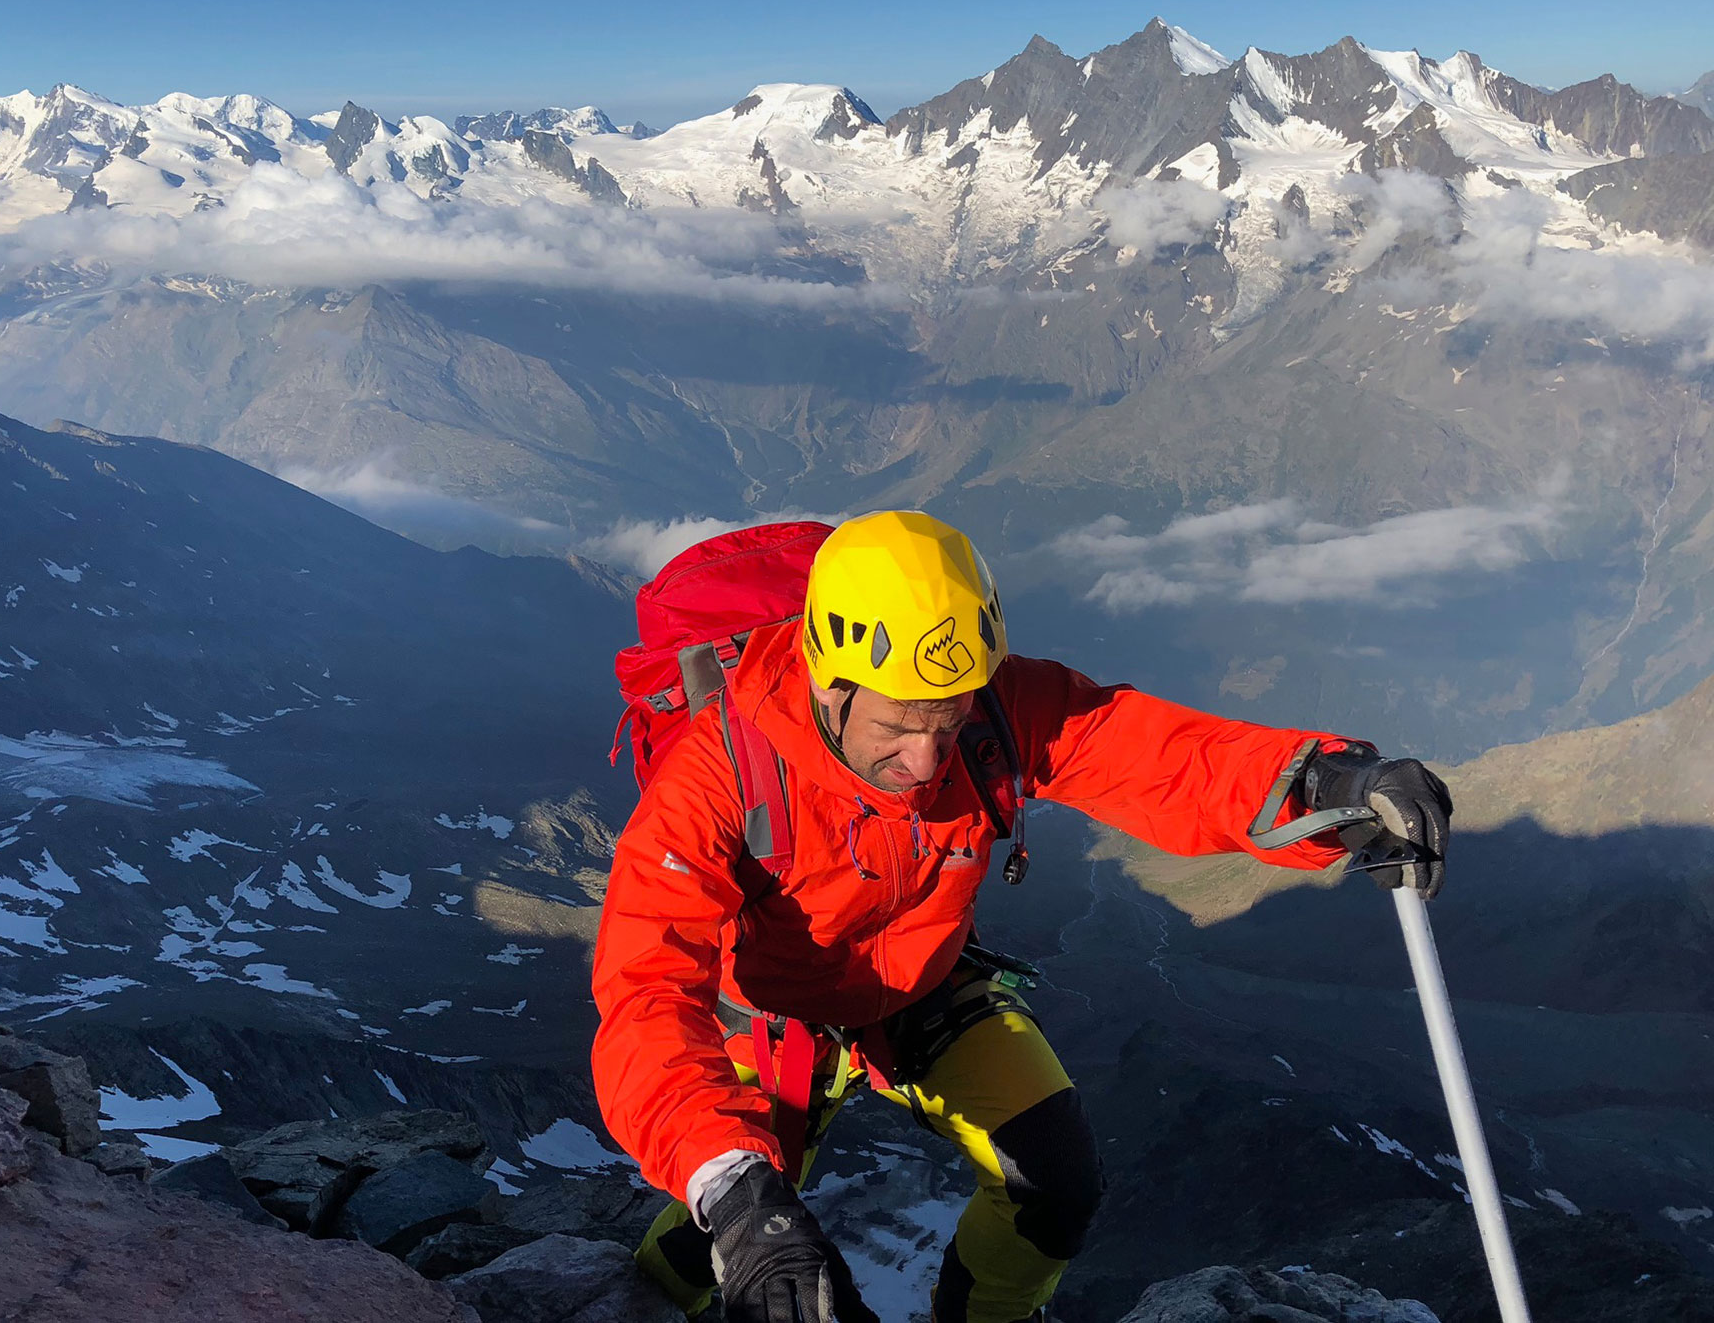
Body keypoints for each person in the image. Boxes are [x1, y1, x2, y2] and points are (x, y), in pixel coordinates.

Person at [591, 510, 1452, 1323]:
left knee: (1057, 1180)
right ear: (828, 680)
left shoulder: (993, 710)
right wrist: (738, 1195)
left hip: (921, 984)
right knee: (743, 1217)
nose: (926, 758)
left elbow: (1156, 758)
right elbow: (645, 990)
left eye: (947, 719)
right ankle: (643, 1299)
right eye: (896, 726)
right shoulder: (715, 778)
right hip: (773, 1012)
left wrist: (1328, 786)